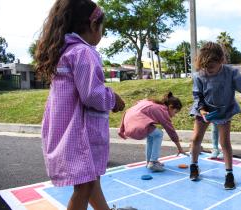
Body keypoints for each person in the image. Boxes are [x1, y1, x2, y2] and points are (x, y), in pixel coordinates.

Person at [35, 1, 136, 210]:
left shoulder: (65, 51)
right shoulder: (84, 52)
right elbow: (92, 94)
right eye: (102, 28)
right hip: (80, 134)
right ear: (92, 26)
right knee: (84, 187)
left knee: (90, 181)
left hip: (67, 131)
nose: (101, 33)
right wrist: (113, 98)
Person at [189, 42, 241, 190]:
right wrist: (202, 110)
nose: (208, 70)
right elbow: (197, 96)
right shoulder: (199, 75)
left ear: (221, 60)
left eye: (211, 67)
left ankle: (229, 174)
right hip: (204, 110)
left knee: (225, 143)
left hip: (224, 110)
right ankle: (193, 165)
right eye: (205, 67)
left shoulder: (231, 73)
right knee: (196, 139)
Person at [118, 92, 187, 172]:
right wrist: (180, 148)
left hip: (129, 125)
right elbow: (171, 131)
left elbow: (129, 111)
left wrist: (122, 129)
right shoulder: (162, 110)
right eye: (175, 112)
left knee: (152, 135)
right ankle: (153, 162)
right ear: (170, 107)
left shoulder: (151, 103)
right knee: (159, 134)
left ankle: (149, 162)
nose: (174, 115)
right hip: (136, 126)